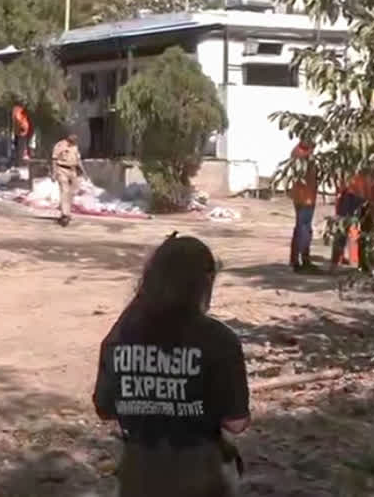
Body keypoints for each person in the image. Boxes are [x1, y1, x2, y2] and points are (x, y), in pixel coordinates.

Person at [93, 234, 250, 497]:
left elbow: (105, 409)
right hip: (201, 476)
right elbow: (236, 423)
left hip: (139, 475)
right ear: (206, 282)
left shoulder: (119, 336)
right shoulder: (219, 340)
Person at [287, 139, 318, 271]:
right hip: (304, 198)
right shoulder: (301, 154)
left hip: (307, 197)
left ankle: (301, 259)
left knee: (304, 229)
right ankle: (299, 261)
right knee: (303, 229)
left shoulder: (301, 153)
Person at [52, 130, 83, 227]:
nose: (75, 138)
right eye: (73, 136)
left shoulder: (75, 146)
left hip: (73, 170)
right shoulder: (60, 145)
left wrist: (82, 170)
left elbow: (78, 160)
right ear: (69, 136)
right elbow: (54, 159)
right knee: (65, 191)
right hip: (62, 169)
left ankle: (66, 211)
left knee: (72, 192)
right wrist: (54, 172)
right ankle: (65, 215)